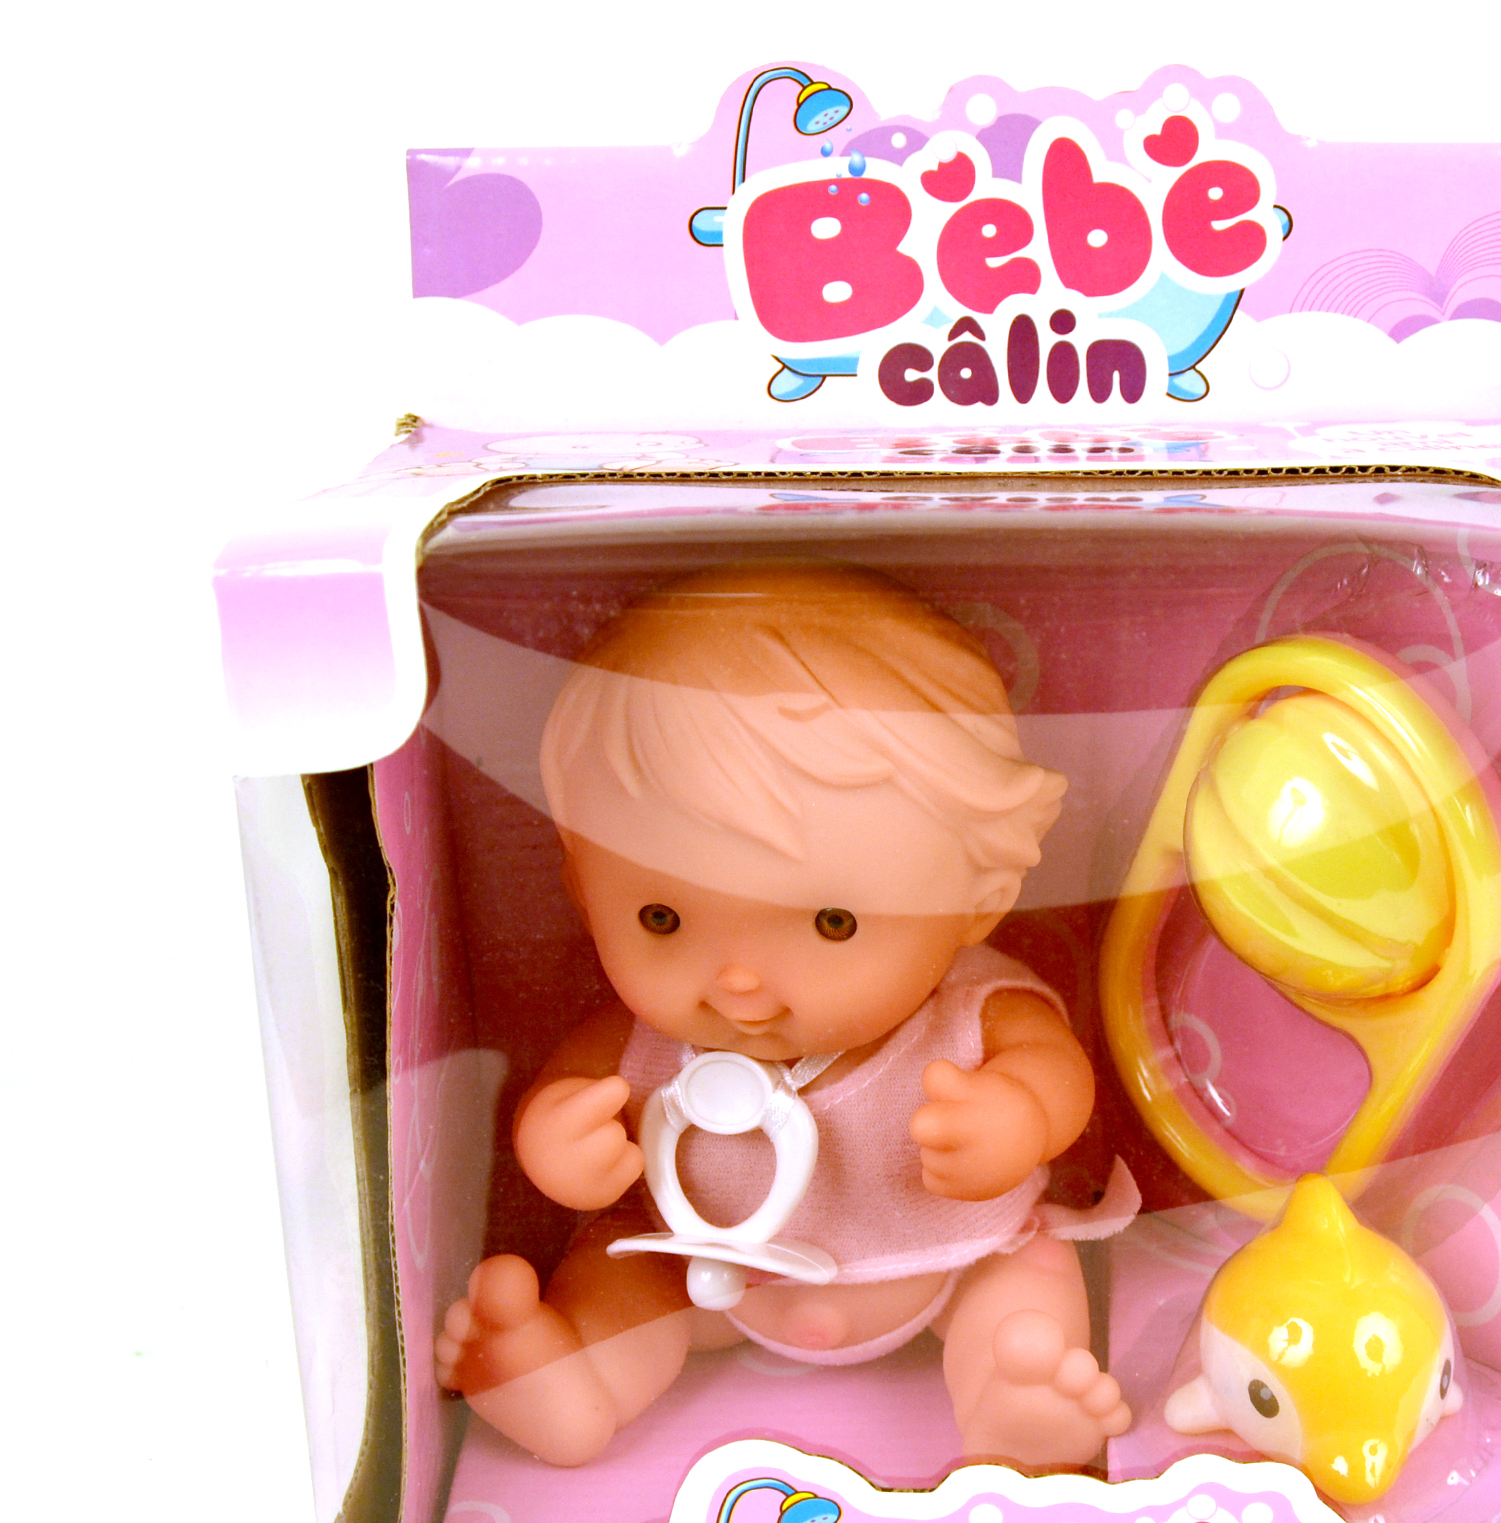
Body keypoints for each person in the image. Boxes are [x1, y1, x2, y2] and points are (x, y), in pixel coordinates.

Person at [435, 560, 1136, 1468]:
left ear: (981, 896)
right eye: (662, 919)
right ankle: (573, 1378)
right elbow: (567, 1090)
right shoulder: (645, 1042)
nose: (738, 984)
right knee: (621, 1270)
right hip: (709, 1276)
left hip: (944, 1264)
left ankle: (1014, 1400)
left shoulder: (970, 1010)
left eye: (832, 923)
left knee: (1025, 1278)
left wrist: (1020, 1117)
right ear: (581, 887)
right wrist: (556, 1146)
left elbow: (1055, 1071)